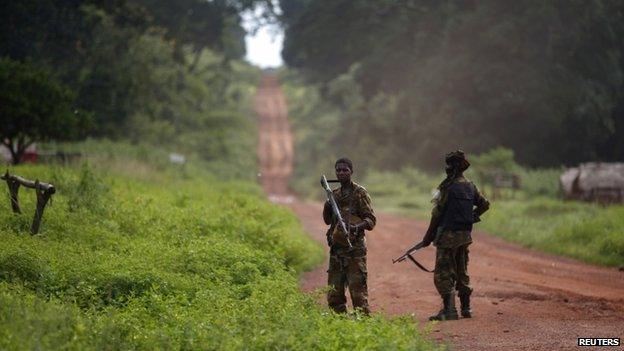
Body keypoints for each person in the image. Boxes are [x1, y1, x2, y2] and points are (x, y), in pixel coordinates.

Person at [421, 150, 489, 321]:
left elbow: (437, 214)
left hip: (447, 237)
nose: (447, 168)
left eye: (449, 164)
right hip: (464, 236)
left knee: (443, 274)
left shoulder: (448, 187)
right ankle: (466, 309)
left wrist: (427, 237)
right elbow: (485, 204)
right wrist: (471, 218)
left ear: (453, 166)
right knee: (461, 271)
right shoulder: (470, 186)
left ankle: (449, 311)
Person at [323, 158, 376, 314]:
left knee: (358, 293)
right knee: (334, 294)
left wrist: (355, 227)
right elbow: (327, 221)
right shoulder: (334, 194)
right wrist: (327, 204)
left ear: (351, 172)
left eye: (345, 170)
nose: (341, 173)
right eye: (338, 170)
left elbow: (371, 220)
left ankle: (363, 328)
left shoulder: (360, 193)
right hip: (337, 250)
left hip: (355, 250)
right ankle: (339, 326)